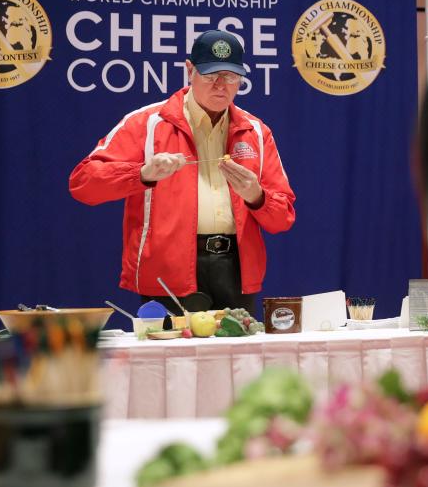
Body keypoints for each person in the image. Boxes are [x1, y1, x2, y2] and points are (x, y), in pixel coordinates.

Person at [69, 30, 295, 313]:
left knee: (237, 356)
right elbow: (83, 183)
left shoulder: (257, 132)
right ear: (190, 70)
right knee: (169, 356)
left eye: (231, 76)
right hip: (168, 275)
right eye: (211, 76)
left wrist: (256, 196)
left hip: (236, 272)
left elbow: (283, 217)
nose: (221, 86)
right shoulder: (147, 123)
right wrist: (141, 174)